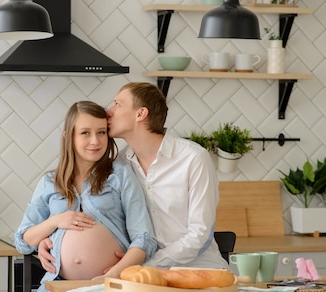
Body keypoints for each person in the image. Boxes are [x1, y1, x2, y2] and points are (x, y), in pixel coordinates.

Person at [14, 100, 157, 292]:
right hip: (60, 284)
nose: (95, 141)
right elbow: (23, 239)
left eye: (101, 132)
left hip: (111, 284)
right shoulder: (50, 182)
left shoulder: (120, 174)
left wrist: (113, 274)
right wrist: (54, 223)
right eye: (85, 133)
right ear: (68, 136)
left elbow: (144, 238)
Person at [38, 82, 227, 272]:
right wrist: (50, 239)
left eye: (117, 104)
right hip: (140, 277)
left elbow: (200, 235)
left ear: (140, 114)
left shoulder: (193, 158)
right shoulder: (119, 166)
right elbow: (97, 216)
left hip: (199, 270)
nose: (108, 112)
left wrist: (144, 264)